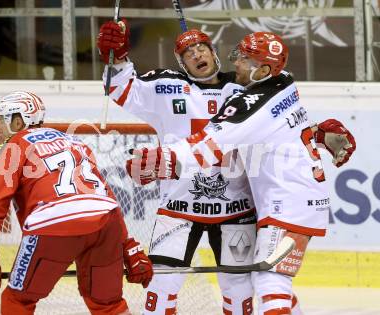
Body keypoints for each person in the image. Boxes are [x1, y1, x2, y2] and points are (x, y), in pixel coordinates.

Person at [97, 21, 355, 314]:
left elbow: (263, 128)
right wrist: (116, 57)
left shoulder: (244, 90)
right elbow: (122, 89)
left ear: (214, 52)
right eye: (188, 52)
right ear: (180, 62)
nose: (196, 55)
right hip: (179, 206)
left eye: (201, 47)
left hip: (236, 209)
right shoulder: (165, 86)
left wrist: (165, 161)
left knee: (240, 292)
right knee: (161, 288)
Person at [0, 91, 153, 315]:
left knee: (18, 301)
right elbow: (104, 196)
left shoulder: (12, 146)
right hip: (106, 224)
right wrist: (127, 245)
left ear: (18, 121)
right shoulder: (74, 142)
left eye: (2, 120)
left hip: (54, 225)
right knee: (108, 305)